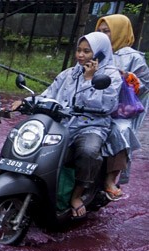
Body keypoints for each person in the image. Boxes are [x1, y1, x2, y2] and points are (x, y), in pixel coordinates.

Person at [12, 32, 121, 219]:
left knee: (88, 151)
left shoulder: (111, 76)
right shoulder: (69, 73)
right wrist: (26, 101)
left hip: (92, 126)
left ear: (100, 53)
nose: (80, 55)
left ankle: (78, 194)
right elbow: (49, 94)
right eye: (79, 50)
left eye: (87, 51)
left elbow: (106, 106)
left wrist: (89, 79)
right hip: (64, 123)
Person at [95, 14, 149, 200]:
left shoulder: (133, 57)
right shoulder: (95, 51)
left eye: (107, 31)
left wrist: (128, 77)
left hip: (119, 110)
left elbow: (144, 86)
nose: (102, 35)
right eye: (99, 31)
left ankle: (110, 179)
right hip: (93, 103)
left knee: (121, 131)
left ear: (119, 32)